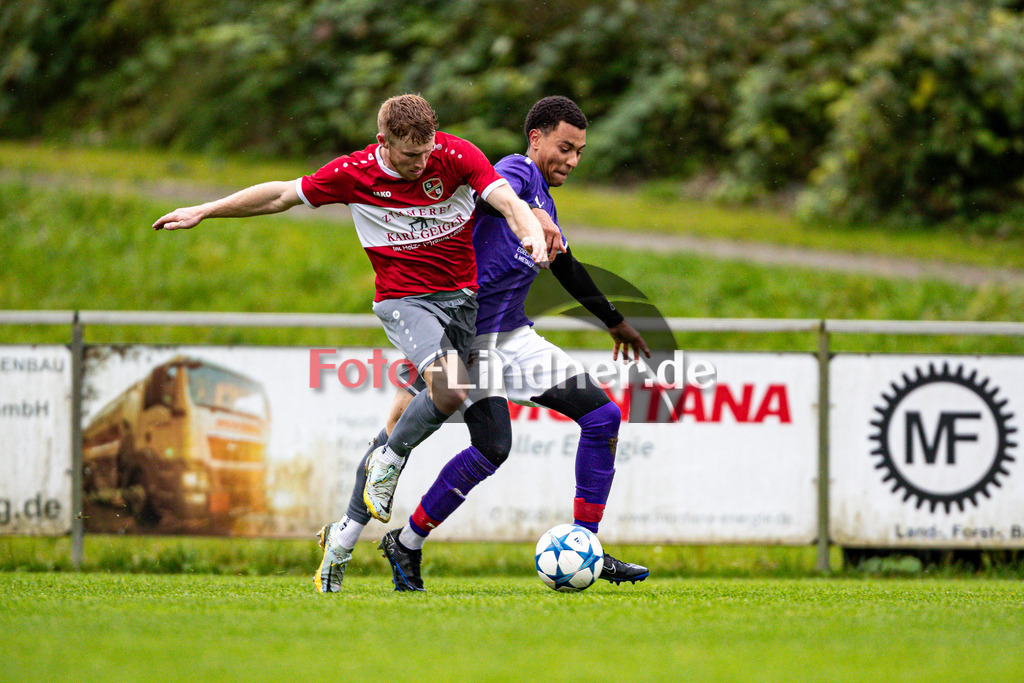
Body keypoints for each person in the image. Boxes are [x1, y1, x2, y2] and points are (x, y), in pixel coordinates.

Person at [151, 94, 554, 592]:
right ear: (383, 142)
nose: (422, 163)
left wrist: (530, 233)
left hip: (464, 307)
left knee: (436, 430)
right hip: (407, 305)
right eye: (410, 156)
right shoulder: (354, 172)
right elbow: (280, 194)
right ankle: (388, 464)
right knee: (447, 393)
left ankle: (340, 540)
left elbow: (508, 201)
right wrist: (205, 210)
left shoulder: (455, 155)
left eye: (427, 152)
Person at [316, 96, 652, 592]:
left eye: (580, 151)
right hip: (463, 338)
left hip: (512, 336)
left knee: (602, 418)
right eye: (565, 148)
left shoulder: (546, 200)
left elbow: (567, 268)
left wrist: (615, 321)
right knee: (460, 446)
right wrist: (533, 212)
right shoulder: (514, 171)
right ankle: (363, 540)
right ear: (535, 139)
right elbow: (501, 189)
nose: (573, 161)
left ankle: (585, 546)